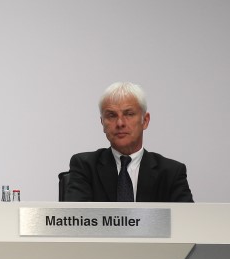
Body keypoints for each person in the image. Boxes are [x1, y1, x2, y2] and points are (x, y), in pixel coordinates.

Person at [65, 82, 193, 202]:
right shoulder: (85, 166)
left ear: (145, 120)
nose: (120, 123)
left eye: (129, 114)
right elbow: (76, 221)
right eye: (111, 115)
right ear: (102, 123)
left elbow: (187, 221)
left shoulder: (171, 172)